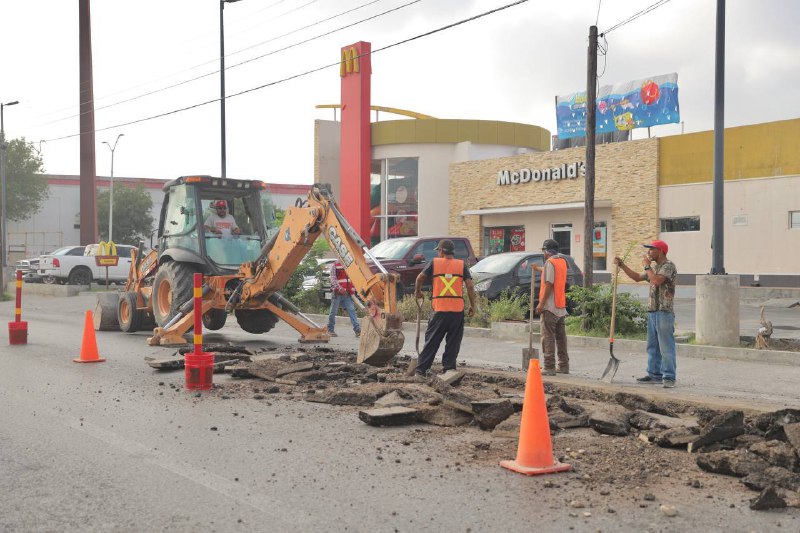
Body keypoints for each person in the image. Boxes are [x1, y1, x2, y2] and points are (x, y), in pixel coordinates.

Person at [614, 239, 678, 388]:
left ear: (661, 251)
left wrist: (647, 266)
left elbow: (655, 281)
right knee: (652, 346)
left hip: (664, 312)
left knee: (666, 346)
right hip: (652, 311)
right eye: (648, 249)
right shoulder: (654, 268)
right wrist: (622, 265)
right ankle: (654, 374)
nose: (648, 252)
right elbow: (637, 277)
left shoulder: (668, 266)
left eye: (651, 249)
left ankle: (669, 377)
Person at [414, 239, 477, 376]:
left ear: (441, 251)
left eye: (438, 250)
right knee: (453, 343)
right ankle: (449, 369)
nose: (438, 253)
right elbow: (470, 286)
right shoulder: (461, 265)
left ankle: (421, 370)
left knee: (432, 341)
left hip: (439, 311)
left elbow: (419, 278)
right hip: (457, 312)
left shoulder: (435, 263)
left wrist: (418, 292)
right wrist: (473, 306)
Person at [533, 239, 570, 376]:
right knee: (561, 337)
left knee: (547, 336)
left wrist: (541, 304)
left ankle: (549, 366)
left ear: (546, 251)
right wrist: (537, 269)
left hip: (550, 306)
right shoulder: (562, 262)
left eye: (543, 251)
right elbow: (552, 272)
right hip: (560, 306)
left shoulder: (549, 263)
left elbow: (548, 283)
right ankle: (564, 365)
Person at [327, 261, 361, 338]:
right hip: (337, 292)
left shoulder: (349, 265)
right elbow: (333, 278)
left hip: (347, 293)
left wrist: (352, 290)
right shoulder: (335, 265)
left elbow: (352, 279)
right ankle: (330, 329)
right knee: (333, 311)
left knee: (352, 310)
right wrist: (340, 288)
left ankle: (357, 330)